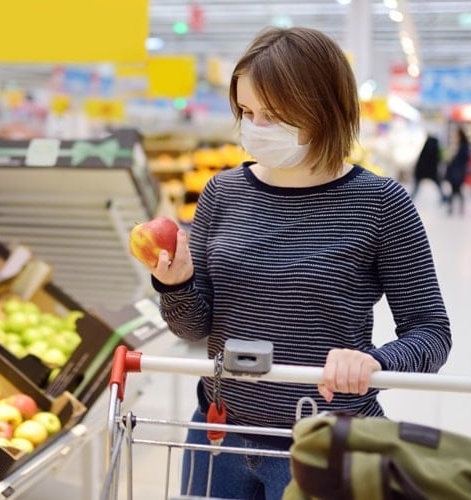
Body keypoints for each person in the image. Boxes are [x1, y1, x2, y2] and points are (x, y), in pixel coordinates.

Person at [134, 26, 452, 499]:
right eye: (247, 111)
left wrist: (373, 362)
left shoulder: (380, 203)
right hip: (218, 432)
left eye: (276, 115)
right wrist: (177, 285)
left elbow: (432, 332)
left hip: (325, 442)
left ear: (325, 109)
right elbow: (194, 327)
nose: (256, 128)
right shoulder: (223, 193)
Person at [410, 131, 446, 202]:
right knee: (437, 184)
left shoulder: (428, 145)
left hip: (422, 170)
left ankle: (409, 198)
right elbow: (437, 159)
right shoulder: (435, 145)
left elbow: (422, 159)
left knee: (416, 187)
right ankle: (443, 197)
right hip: (431, 171)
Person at [444, 126, 470, 215]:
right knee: (454, 190)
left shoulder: (463, 146)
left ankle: (454, 208)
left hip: (458, 171)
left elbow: (463, 159)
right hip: (454, 171)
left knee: (457, 190)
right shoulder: (458, 145)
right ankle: (453, 208)